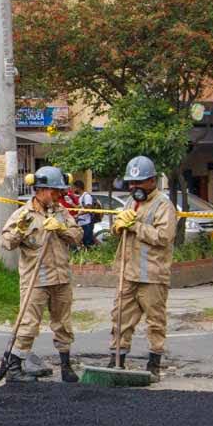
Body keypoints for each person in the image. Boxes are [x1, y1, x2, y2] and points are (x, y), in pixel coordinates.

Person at [0, 165, 84, 382]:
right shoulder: (23, 215)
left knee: (63, 324)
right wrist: (19, 230)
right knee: (28, 324)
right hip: (35, 280)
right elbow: (6, 243)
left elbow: (77, 236)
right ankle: (15, 368)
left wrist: (62, 229)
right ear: (40, 190)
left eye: (59, 192)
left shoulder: (61, 213)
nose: (57, 196)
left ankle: (66, 366)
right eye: (54, 192)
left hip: (60, 278)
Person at [109, 155, 179, 382]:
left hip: (152, 275)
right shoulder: (131, 203)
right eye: (131, 183)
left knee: (155, 321)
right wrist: (118, 227)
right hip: (128, 273)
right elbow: (120, 228)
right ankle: (116, 359)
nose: (135, 187)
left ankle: (154, 363)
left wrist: (136, 226)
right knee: (120, 317)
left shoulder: (163, 205)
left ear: (152, 181)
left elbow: (164, 237)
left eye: (139, 183)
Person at [75, 180, 98, 248]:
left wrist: (78, 215)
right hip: (82, 222)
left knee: (88, 242)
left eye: (75, 187)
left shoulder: (86, 196)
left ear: (79, 187)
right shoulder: (81, 196)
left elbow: (88, 209)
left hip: (87, 223)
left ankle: (92, 255)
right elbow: (80, 207)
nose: (74, 189)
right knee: (84, 241)